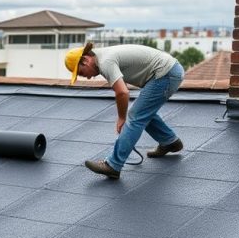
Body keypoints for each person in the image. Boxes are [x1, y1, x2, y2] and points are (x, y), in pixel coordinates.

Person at [64, 42, 185, 180]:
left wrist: (121, 118)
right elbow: (123, 85)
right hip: (167, 71)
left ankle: (113, 165)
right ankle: (170, 142)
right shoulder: (102, 58)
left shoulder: (105, 62)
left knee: (135, 116)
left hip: (165, 74)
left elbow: (122, 93)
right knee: (143, 112)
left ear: (85, 60)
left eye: (81, 73)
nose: (87, 77)